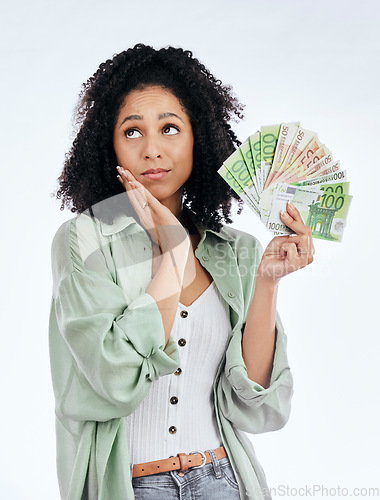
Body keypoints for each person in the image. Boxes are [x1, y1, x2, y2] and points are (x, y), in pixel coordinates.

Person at [49, 43, 314, 500]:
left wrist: (266, 280)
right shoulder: (85, 241)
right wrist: (170, 255)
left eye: (170, 128)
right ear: (108, 144)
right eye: (132, 132)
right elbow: (114, 380)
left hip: (222, 479)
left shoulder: (235, 251)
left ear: (199, 140)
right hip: (131, 485)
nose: (152, 149)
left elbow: (255, 409)